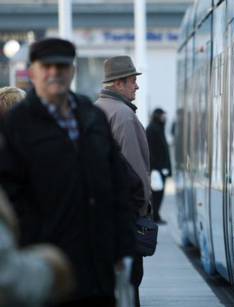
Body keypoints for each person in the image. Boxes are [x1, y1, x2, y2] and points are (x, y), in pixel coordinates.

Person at [0, 38, 135, 307]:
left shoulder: (91, 115)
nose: (54, 73)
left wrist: (122, 246)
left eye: (61, 67)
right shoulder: (19, 122)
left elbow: (117, 184)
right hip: (50, 266)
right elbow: (10, 192)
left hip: (99, 265)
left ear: (72, 71)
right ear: (34, 72)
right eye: (46, 66)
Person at [95, 55, 152, 307]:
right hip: (125, 218)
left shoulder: (96, 110)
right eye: (132, 81)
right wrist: (143, 211)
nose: (136, 86)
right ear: (117, 84)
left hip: (102, 217)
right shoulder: (123, 116)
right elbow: (135, 170)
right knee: (130, 284)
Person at [146, 108, 172, 224]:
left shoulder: (158, 128)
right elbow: (151, 150)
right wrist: (155, 167)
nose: (164, 118)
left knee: (159, 194)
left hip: (160, 168)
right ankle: (154, 216)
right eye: (162, 115)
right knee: (156, 194)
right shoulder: (152, 129)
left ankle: (155, 215)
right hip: (157, 169)